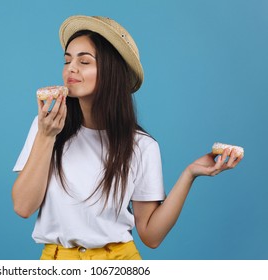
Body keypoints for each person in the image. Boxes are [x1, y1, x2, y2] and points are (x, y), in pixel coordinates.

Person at [12, 15, 243, 260]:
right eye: (68, 60)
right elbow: (23, 207)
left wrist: (189, 174)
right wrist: (47, 137)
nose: (71, 68)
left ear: (111, 70)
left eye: (85, 61)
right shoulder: (46, 125)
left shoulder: (141, 146)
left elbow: (151, 236)